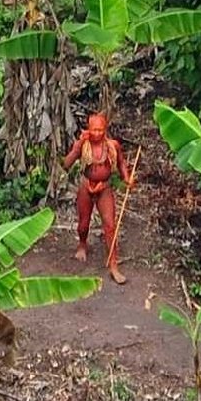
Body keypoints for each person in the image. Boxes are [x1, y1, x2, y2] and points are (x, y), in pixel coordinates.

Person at [63, 113, 133, 284]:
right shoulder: (83, 145)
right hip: (86, 186)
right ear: (88, 129)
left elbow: (122, 162)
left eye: (100, 130)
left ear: (105, 129)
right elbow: (66, 164)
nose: (96, 133)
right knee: (83, 224)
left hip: (104, 187)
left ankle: (113, 264)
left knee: (110, 225)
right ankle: (82, 244)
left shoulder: (112, 146)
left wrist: (127, 177)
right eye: (93, 130)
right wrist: (78, 145)